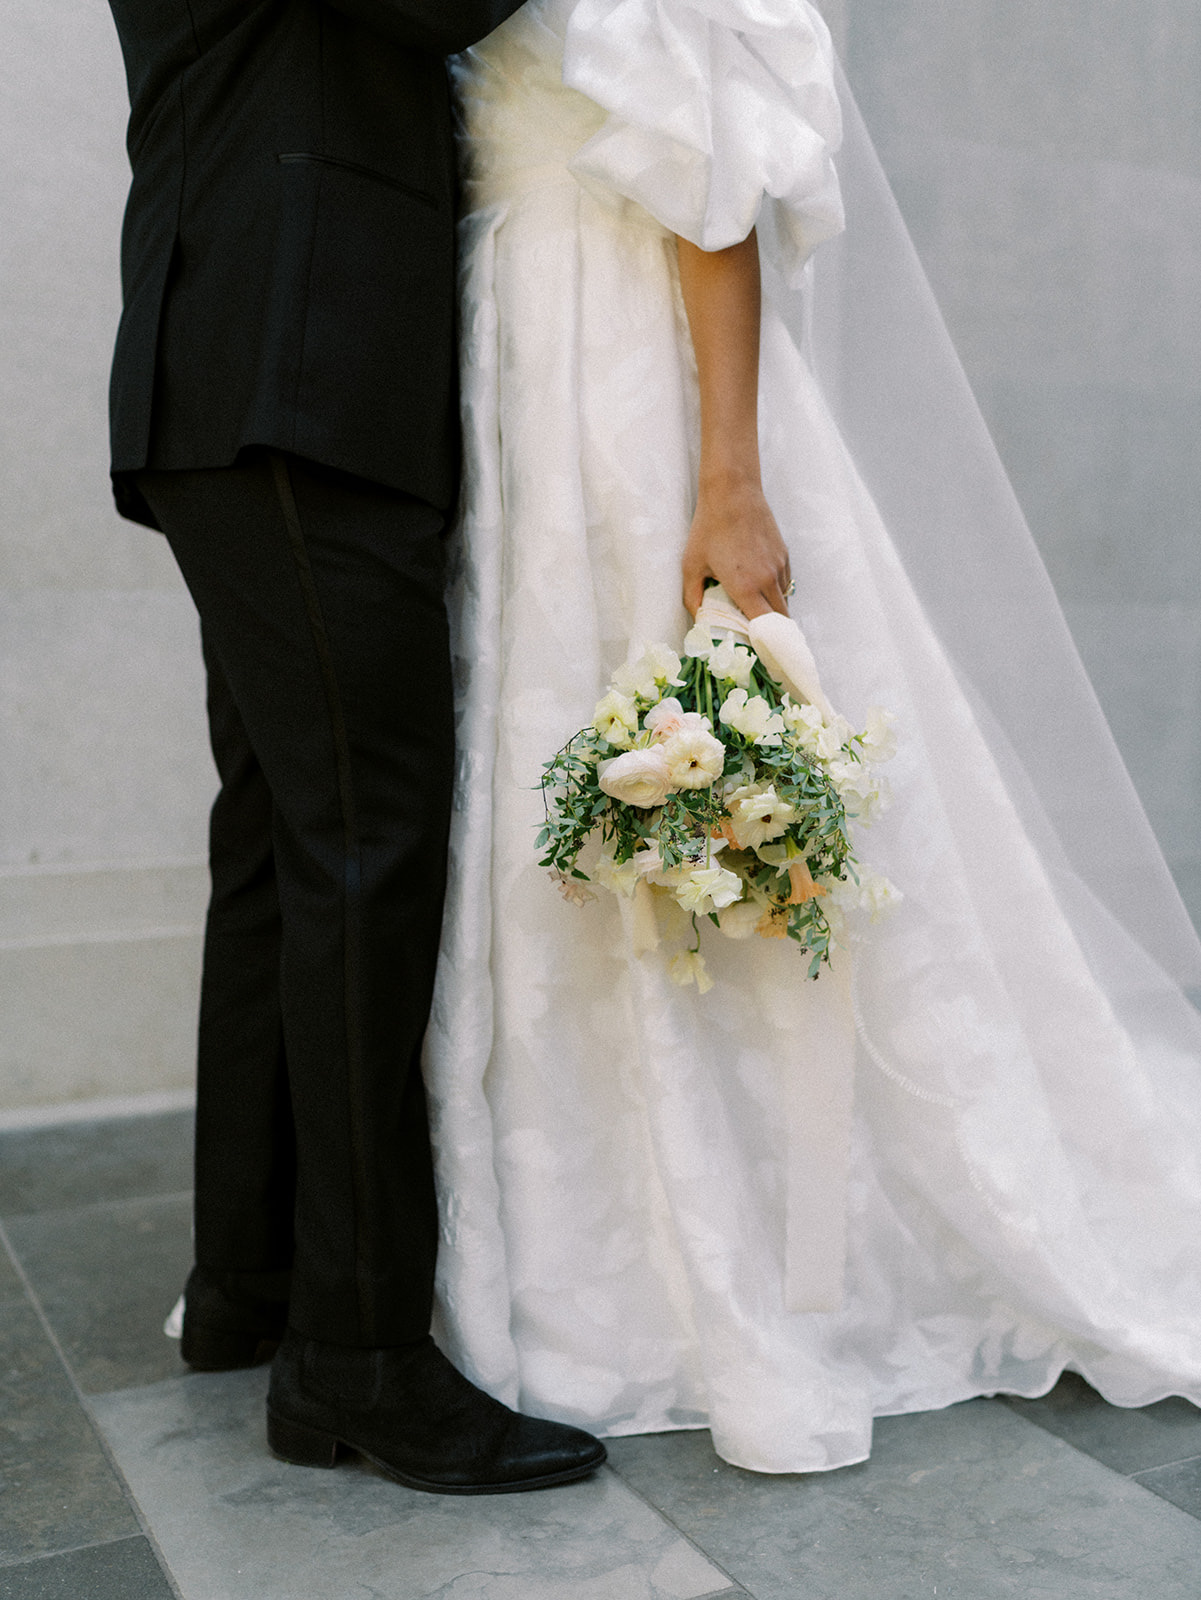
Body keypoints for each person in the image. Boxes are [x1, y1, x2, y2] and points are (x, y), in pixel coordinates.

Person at [424, 0, 1201, 1473]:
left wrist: (728, 479)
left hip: (626, 378)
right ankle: (600, 1213)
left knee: (696, 749)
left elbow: (716, 201)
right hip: (512, 363)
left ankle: (777, 1243)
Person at [102, 0, 605, 1494]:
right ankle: (361, 1357)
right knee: (361, 855)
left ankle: (253, 1285)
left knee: (280, 843)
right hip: (296, 363)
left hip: (252, 363)